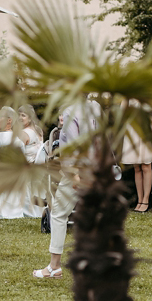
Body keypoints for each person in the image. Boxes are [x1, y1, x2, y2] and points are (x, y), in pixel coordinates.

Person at [33, 99, 101, 279]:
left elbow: (71, 146)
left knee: (58, 215)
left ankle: (54, 267)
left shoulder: (72, 110)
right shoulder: (95, 107)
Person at [121, 107, 152, 212]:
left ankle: (145, 200)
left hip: (146, 125)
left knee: (146, 165)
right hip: (132, 126)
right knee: (136, 166)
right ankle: (139, 199)